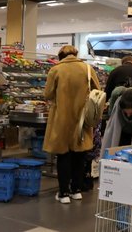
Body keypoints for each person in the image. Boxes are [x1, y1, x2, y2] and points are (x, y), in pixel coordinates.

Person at [43, 45, 100, 204]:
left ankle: (63, 193)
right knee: (79, 155)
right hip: (82, 118)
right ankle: (76, 190)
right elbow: (98, 91)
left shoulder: (56, 70)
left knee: (64, 155)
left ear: (61, 56)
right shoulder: (87, 69)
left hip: (62, 118)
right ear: (75, 54)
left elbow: (47, 94)